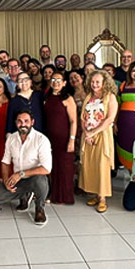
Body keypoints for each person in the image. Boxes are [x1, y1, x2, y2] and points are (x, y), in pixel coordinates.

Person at [0, 110, 52, 225]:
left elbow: (46, 168)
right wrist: (6, 180)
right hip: (18, 180)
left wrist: (21, 174)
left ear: (32, 122)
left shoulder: (41, 140)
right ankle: (25, 196)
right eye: (19, 121)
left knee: (40, 180)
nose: (23, 124)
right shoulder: (11, 138)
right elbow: (5, 162)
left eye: (26, 121)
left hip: (35, 179)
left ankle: (40, 208)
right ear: (16, 123)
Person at [79, 70, 118, 213]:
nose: (94, 84)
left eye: (98, 82)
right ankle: (95, 194)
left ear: (104, 83)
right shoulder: (88, 96)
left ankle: (102, 199)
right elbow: (83, 117)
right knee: (91, 165)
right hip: (88, 137)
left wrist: (93, 133)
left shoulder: (110, 97)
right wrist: (86, 134)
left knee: (102, 166)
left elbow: (110, 119)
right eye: (92, 81)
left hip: (102, 135)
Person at [44, 72, 78, 204]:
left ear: (64, 83)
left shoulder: (68, 99)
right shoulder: (47, 97)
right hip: (49, 138)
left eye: (59, 80)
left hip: (64, 138)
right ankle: (53, 194)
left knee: (65, 168)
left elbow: (73, 121)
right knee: (52, 167)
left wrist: (72, 140)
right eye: (53, 79)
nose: (55, 82)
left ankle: (65, 196)